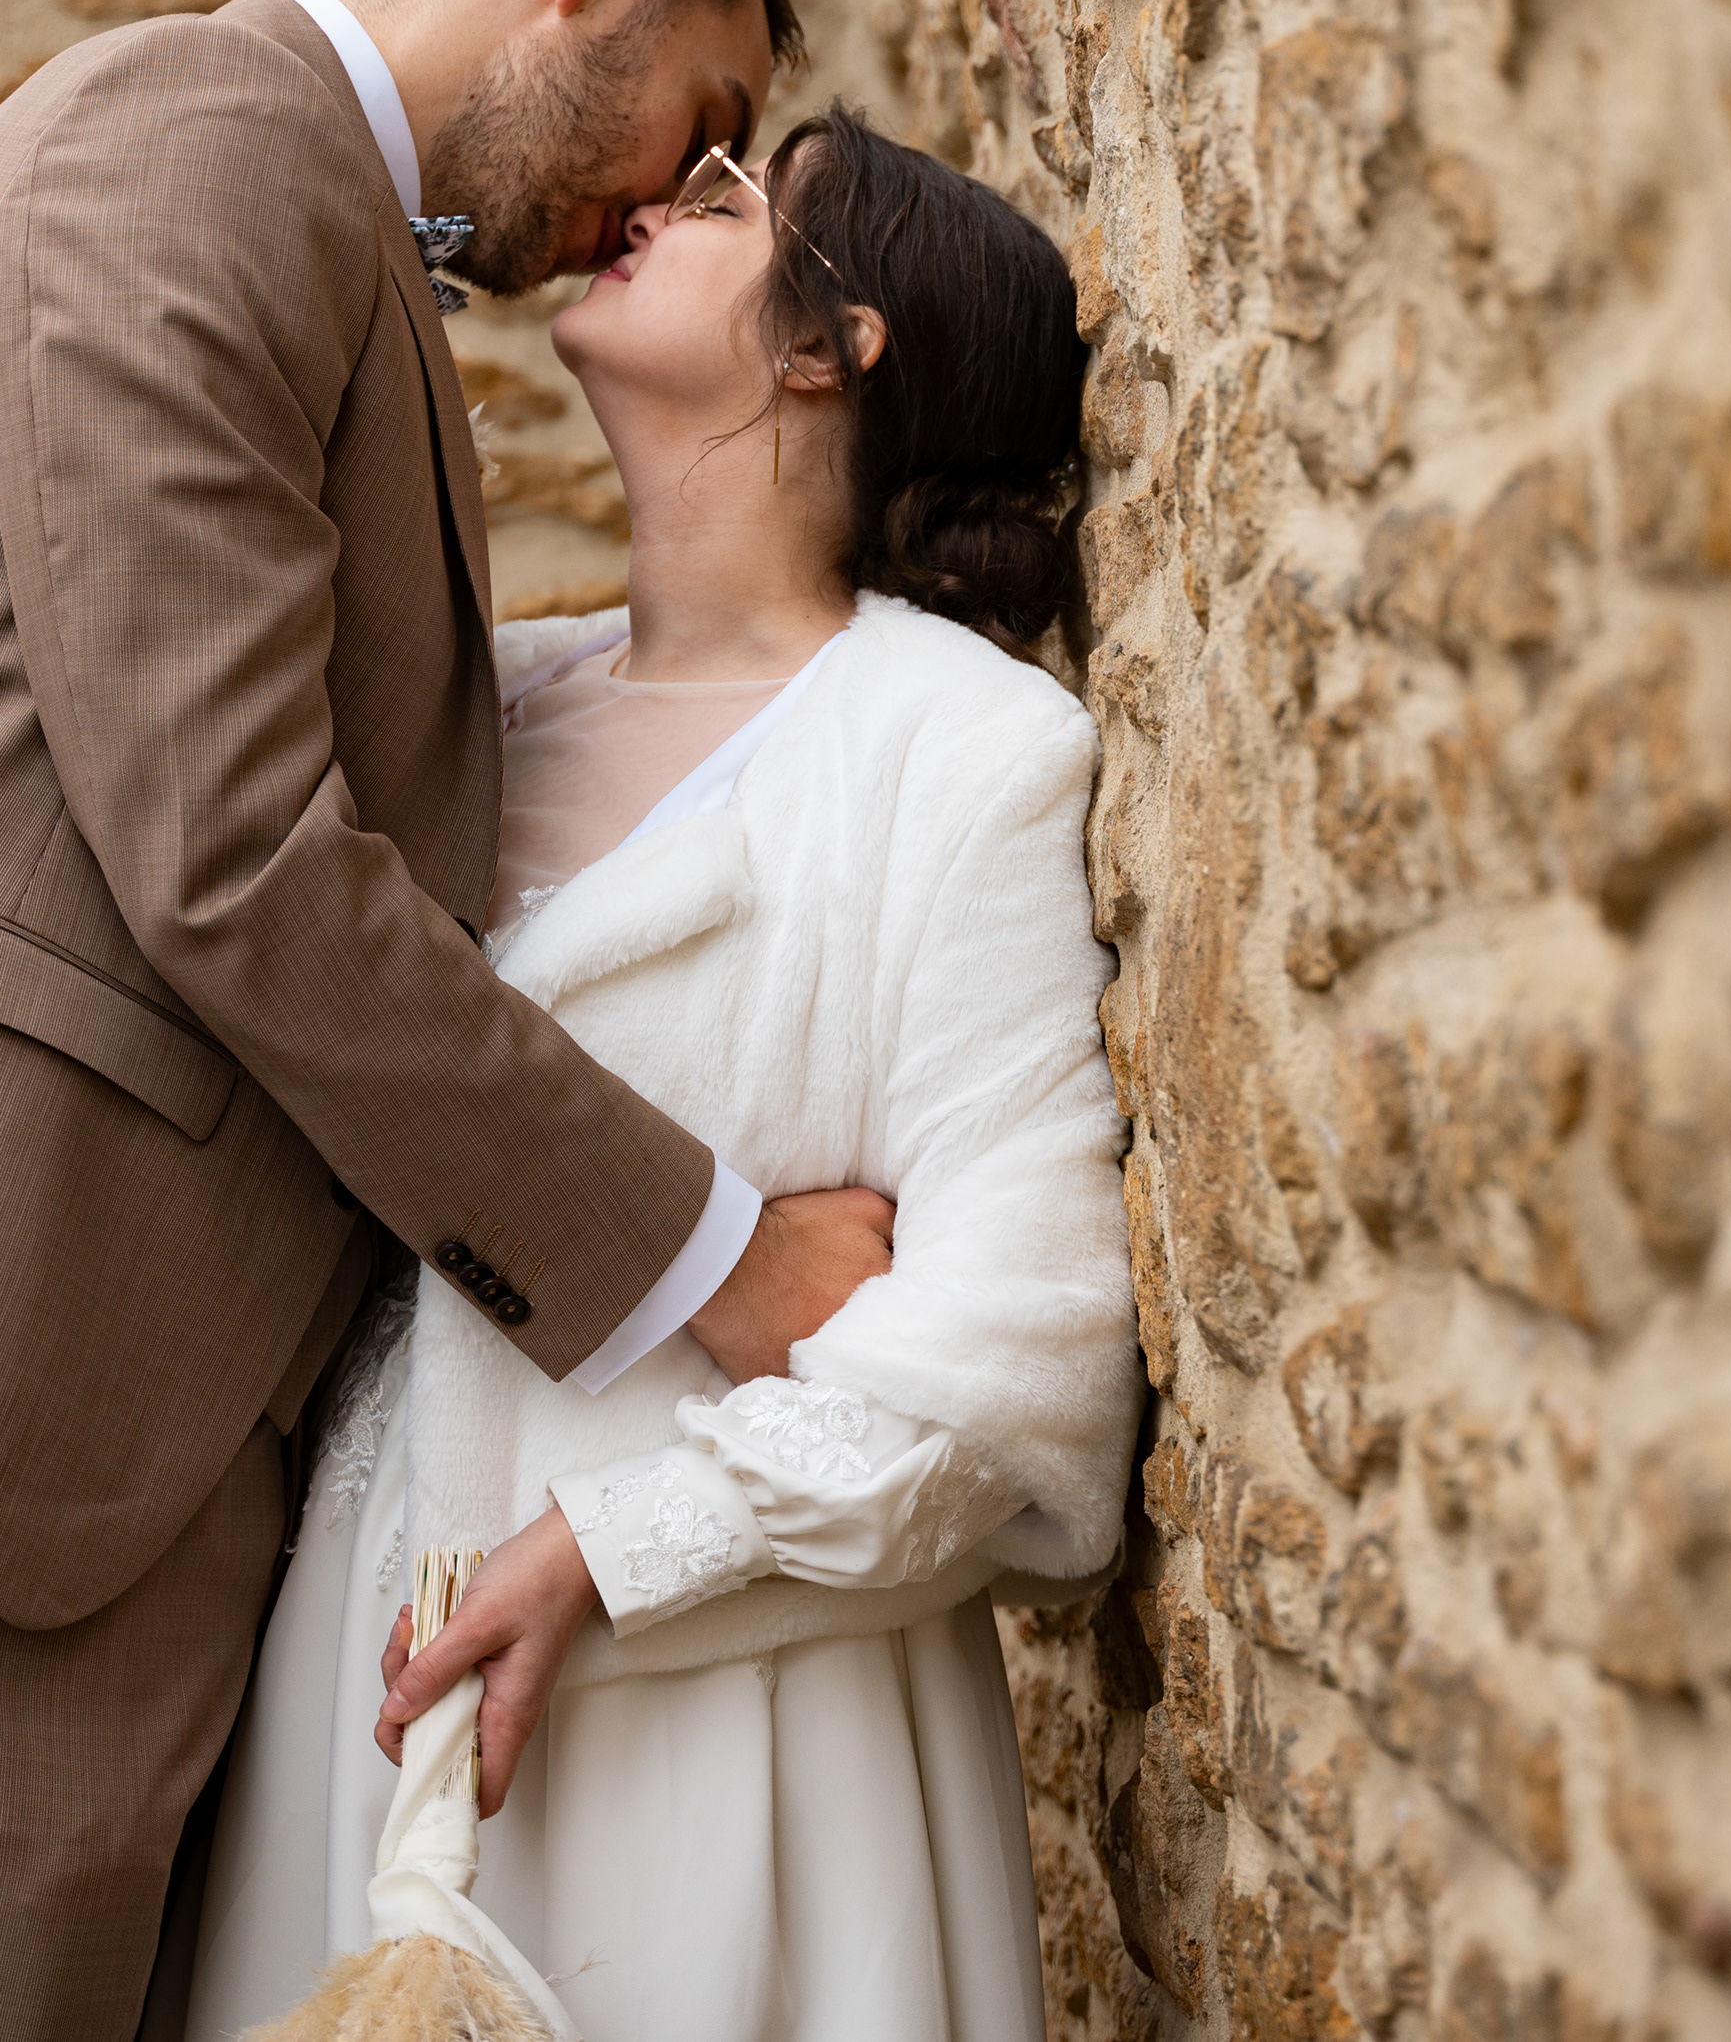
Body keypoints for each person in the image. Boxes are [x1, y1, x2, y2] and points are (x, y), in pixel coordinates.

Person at [0, 0, 908, 2042]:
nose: (668, 201)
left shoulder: (302, 208)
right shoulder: (190, 146)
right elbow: (228, 849)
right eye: (700, 124)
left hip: (79, 1430)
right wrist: (724, 1257)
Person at [181, 107, 1141, 2042]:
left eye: (729, 202)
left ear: (830, 342)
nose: (650, 206)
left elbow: (1028, 1364)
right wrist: (739, 1255)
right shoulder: (470, 710)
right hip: (360, 1690)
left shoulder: (954, 759)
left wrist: (616, 1552)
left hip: (727, 1750)